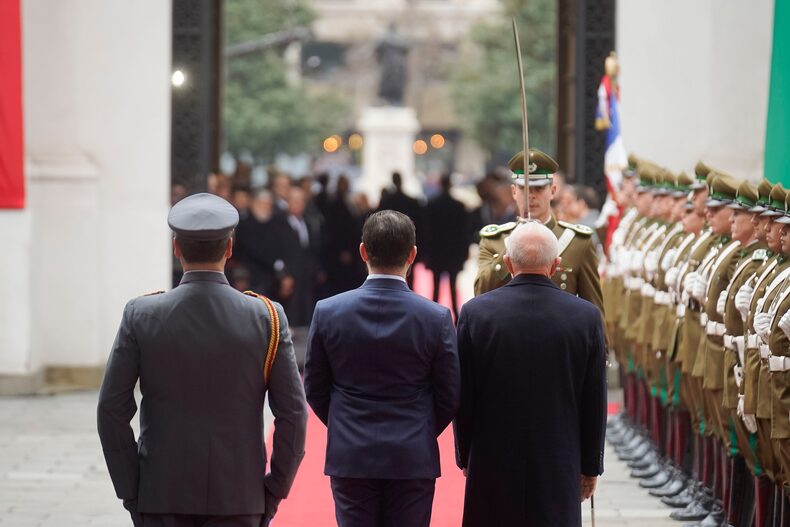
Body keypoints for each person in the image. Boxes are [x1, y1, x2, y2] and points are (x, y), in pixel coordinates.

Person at [97, 193, 308, 527]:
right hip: (239, 496)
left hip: (161, 494)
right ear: (229, 249)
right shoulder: (266, 317)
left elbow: (111, 410)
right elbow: (293, 414)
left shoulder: (142, 315)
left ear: (176, 248)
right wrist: (273, 491)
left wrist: (132, 491)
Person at [304, 210, 460, 527]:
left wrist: (345, 422)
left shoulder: (329, 311)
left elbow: (315, 388)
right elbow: (449, 394)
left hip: (351, 452)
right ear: (413, 255)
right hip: (412, 452)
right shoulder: (435, 317)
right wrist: (420, 427)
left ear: (363, 251)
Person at [455, 221, 606, 526]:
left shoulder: (476, 314)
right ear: (556, 265)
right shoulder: (586, 317)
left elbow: (463, 393)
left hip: (492, 456)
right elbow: (594, 399)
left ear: (508, 263)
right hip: (558, 456)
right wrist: (591, 464)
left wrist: (465, 454)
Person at [474, 149, 604, 314]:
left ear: (553, 190)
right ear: (514, 191)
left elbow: (594, 310)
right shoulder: (495, 240)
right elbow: (481, 291)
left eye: (539, 188)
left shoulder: (578, 242)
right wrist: (515, 243)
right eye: (524, 189)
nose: (531, 196)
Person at [425, 173, 470, 318]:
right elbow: (464, 232)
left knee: (436, 286)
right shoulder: (458, 206)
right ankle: (456, 315)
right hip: (453, 253)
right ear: (450, 185)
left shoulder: (431, 205)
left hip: (437, 252)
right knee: (453, 285)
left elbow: (427, 231)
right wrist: (464, 254)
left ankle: (433, 314)